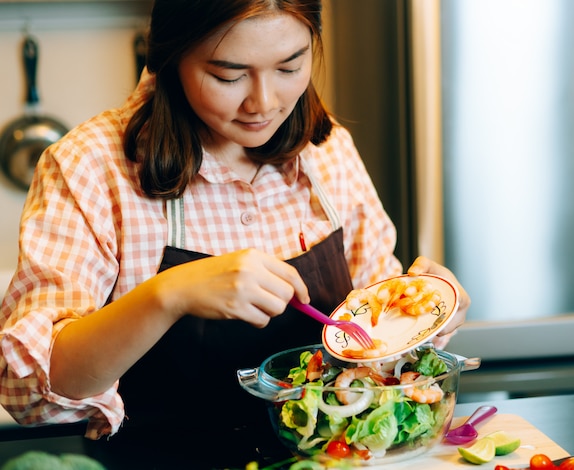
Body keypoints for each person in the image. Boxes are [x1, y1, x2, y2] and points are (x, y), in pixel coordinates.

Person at [0, 0, 469, 468]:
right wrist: (169, 294)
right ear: (171, 55)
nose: (263, 103)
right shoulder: (89, 167)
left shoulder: (327, 152)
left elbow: (377, 343)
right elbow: (34, 391)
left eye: (290, 66)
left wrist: (420, 316)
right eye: (229, 76)